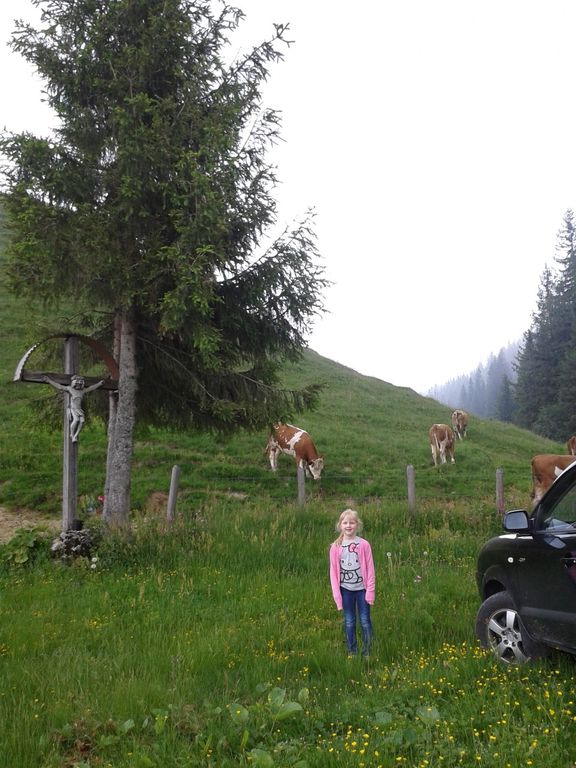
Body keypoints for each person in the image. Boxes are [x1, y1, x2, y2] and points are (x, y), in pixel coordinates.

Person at [329, 508, 375, 657]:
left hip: (362, 590)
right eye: (345, 523)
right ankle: (352, 651)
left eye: (352, 523)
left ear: (357, 525)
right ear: (340, 525)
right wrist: (337, 596)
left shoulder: (364, 545)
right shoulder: (335, 547)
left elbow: (370, 569)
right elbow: (333, 573)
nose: (348, 525)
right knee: (349, 621)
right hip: (345, 590)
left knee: (365, 620)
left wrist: (370, 591)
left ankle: (367, 651)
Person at [43, 374, 105, 442]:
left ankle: (75, 435)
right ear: (74, 382)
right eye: (77, 382)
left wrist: (99, 384)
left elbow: (91, 387)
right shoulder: (70, 388)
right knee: (76, 420)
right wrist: (49, 380)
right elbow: (59, 386)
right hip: (73, 408)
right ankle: (72, 435)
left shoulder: (82, 390)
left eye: (80, 382)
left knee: (82, 421)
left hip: (79, 409)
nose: (79, 384)